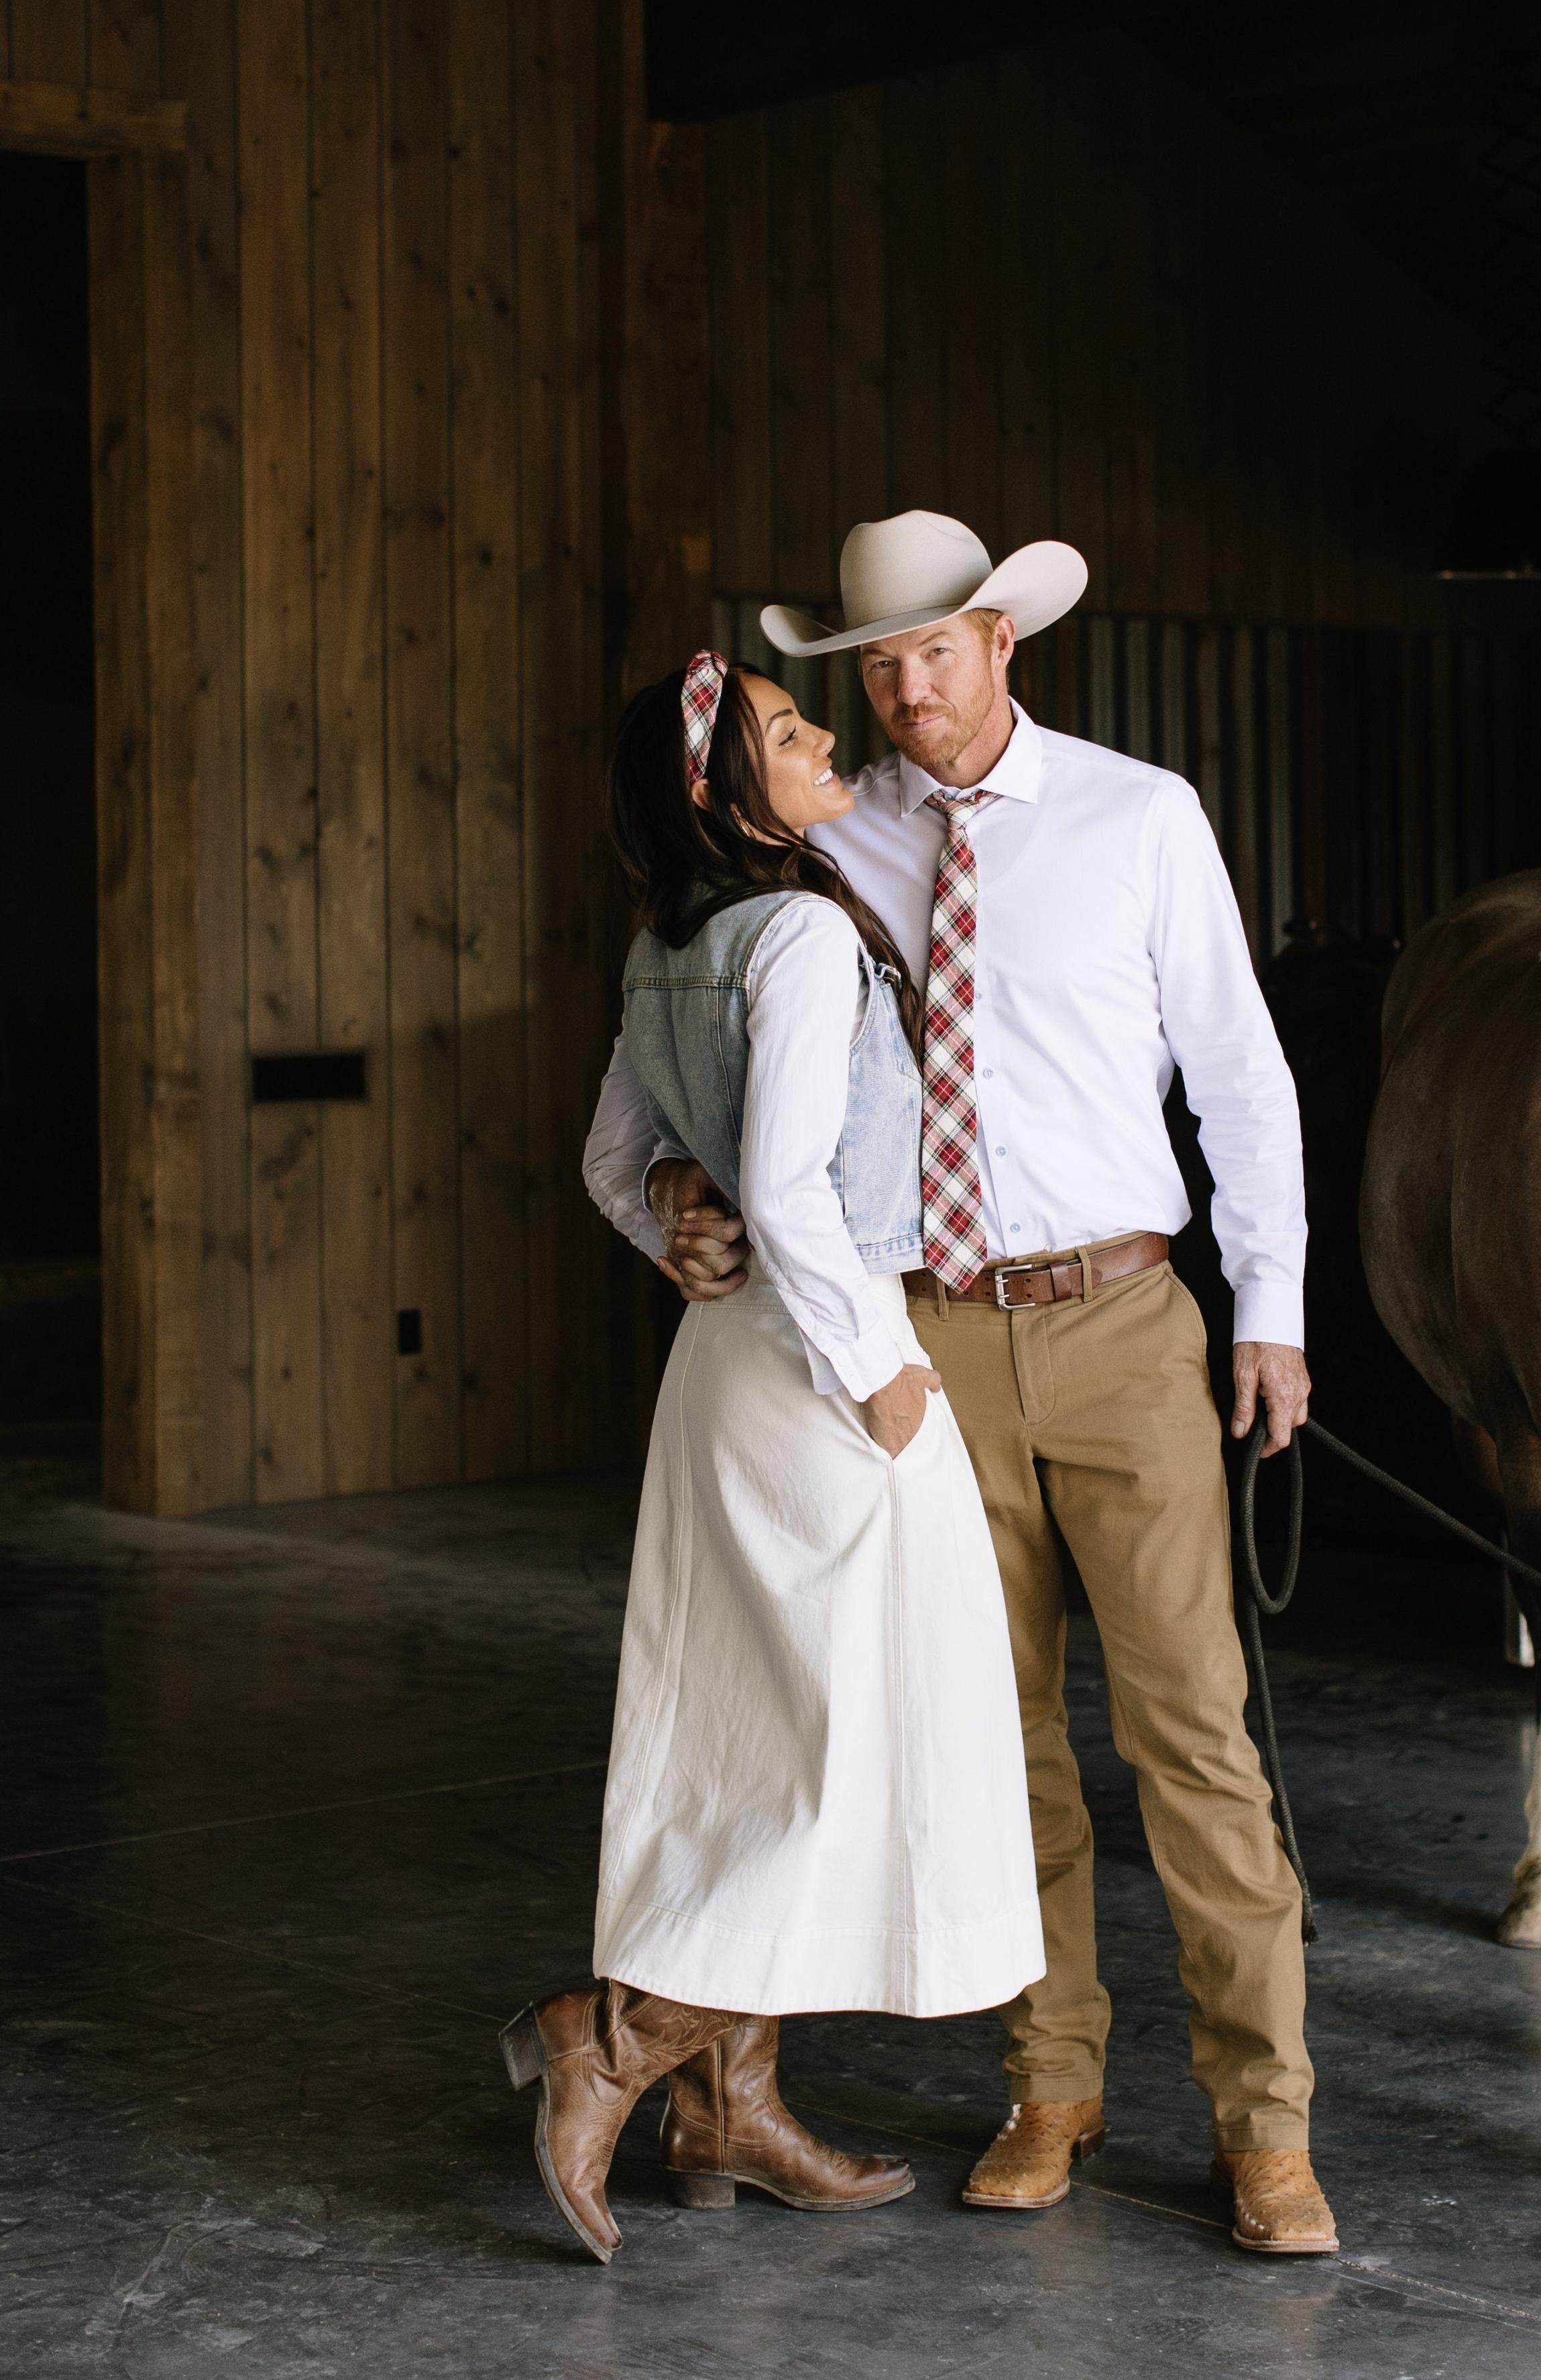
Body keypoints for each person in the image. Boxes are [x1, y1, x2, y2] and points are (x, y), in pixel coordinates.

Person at [585, 512, 1336, 2259]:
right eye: (874, 667)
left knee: (1194, 1743)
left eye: (933, 652)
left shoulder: (1141, 818)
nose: (905, 692)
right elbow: (729, 1042)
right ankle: (1049, 2082)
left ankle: (1267, 2123)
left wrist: (1272, 1308)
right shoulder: (830, 849)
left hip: (1124, 1317)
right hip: (921, 1335)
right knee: (1007, 1751)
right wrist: (679, 1197)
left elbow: (1240, 1075)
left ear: (1006, 638)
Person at [506, 647, 1041, 2263]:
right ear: (721, 792)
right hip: (826, 1360)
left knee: (758, 1732)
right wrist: (879, 1371)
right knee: (859, 1739)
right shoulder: (803, 930)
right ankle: (614, 2040)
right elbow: (795, 1189)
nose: (825, 742)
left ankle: (728, 2109)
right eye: (792, 732)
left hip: (724, 1366)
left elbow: (617, 1156)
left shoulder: (674, 939)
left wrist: (669, 1221)